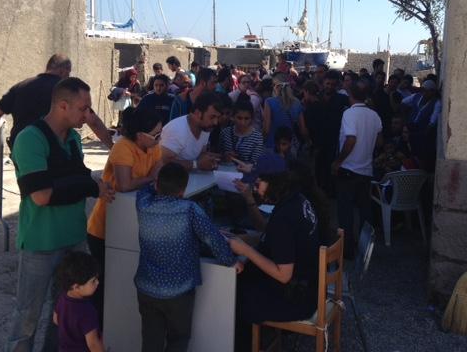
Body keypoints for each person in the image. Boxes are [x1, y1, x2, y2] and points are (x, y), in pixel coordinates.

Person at [6, 77, 116, 352]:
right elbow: (42, 196)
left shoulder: (74, 139)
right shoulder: (30, 139)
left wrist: (93, 185)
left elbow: (77, 177)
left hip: (74, 238)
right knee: (27, 316)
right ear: (63, 106)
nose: (87, 116)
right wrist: (90, 186)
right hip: (41, 242)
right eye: (83, 109)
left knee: (67, 315)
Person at [135, 163, 240, 352]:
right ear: (183, 191)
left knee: (151, 341)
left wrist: (155, 179)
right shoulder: (190, 210)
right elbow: (213, 239)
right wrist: (231, 261)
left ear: (157, 185)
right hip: (180, 291)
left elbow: (145, 189)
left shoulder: (143, 204)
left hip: (147, 288)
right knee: (178, 339)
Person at [229, 168, 321, 351]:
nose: (255, 189)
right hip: (310, 290)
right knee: (245, 281)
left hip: (296, 300)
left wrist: (246, 250)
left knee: (234, 296)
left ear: (273, 182)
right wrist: (251, 239)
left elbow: (283, 275)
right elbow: (278, 238)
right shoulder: (298, 200)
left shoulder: (284, 217)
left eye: (258, 184)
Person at [86, 107, 163, 323]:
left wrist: (151, 178)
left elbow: (158, 173)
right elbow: (125, 184)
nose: (160, 138)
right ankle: (96, 331)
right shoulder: (122, 147)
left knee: (121, 285)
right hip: (105, 229)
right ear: (140, 135)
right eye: (156, 134)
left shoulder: (154, 147)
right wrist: (150, 178)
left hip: (132, 226)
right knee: (102, 286)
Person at [0, 54, 113, 150]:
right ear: (63, 71)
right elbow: (93, 121)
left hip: (21, 148)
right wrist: (112, 148)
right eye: (68, 73)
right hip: (53, 147)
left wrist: (0, 130)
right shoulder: (66, 91)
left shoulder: (20, 86)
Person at [332, 83, 383, 259]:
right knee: (364, 211)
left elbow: (351, 139)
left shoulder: (349, 113)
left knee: (345, 212)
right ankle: (365, 248)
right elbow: (379, 142)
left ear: (350, 96)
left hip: (348, 169)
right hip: (366, 170)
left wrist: (338, 161)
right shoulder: (374, 115)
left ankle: (347, 250)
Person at [53, 251, 104, 352]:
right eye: (93, 281)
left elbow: (55, 319)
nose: (98, 282)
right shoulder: (87, 311)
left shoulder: (62, 298)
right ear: (76, 287)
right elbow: (93, 344)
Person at [160, 92, 222, 171]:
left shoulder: (205, 128)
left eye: (217, 117)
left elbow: (201, 153)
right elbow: (164, 162)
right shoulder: (176, 129)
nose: (215, 122)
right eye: (212, 117)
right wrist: (196, 165)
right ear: (198, 113)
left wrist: (215, 159)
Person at [262, 75, 304, 153]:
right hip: (289, 144)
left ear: (276, 87)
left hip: (272, 144)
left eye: (273, 85)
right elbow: (303, 129)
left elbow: (266, 128)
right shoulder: (297, 102)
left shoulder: (269, 102)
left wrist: (262, 141)